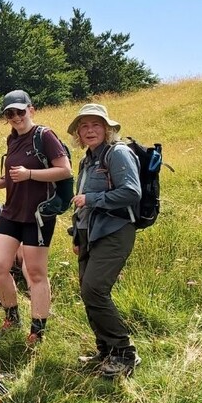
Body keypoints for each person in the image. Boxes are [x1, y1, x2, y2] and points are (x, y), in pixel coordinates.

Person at [0, 90, 72, 343]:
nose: (16, 117)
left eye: (20, 111)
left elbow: (64, 170)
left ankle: (37, 330)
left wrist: (30, 174)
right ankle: (12, 317)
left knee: (35, 273)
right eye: (10, 113)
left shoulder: (45, 135)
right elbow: (14, 174)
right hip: (12, 212)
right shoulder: (12, 139)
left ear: (31, 110)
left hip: (38, 215)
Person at [67, 103, 142, 377]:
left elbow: (132, 192)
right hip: (89, 234)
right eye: (84, 126)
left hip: (115, 231)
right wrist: (77, 235)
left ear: (107, 128)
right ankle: (106, 351)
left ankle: (124, 354)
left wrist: (92, 198)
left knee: (94, 290)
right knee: (88, 292)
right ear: (78, 133)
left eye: (96, 125)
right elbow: (80, 204)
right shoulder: (87, 160)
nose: (90, 130)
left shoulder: (117, 153)